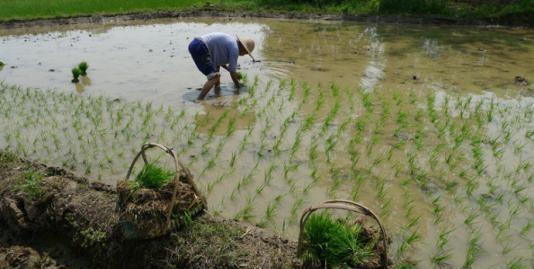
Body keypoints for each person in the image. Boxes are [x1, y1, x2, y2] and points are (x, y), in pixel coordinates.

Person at [188, 32, 255, 100]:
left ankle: (217, 89)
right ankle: (199, 99)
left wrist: (233, 72)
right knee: (214, 77)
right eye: (246, 53)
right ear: (243, 48)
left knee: (216, 70)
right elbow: (232, 72)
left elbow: (220, 63)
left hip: (195, 44)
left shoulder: (231, 42)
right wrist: (238, 87)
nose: (243, 55)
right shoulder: (235, 49)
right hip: (200, 47)